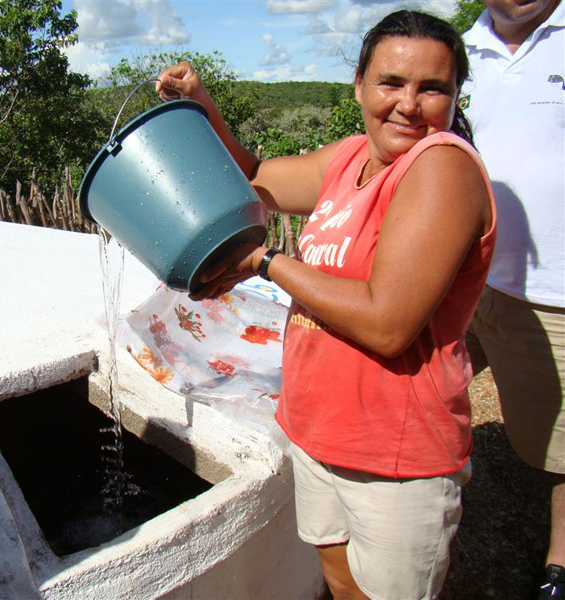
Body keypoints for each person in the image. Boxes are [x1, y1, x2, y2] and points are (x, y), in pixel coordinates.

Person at [157, 10, 495, 599]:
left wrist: (265, 263)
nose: (408, 105)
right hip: (318, 424)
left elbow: (388, 324)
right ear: (359, 85)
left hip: (394, 446)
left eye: (432, 88)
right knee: (339, 583)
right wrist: (201, 102)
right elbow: (258, 175)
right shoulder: (349, 158)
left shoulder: (441, 167)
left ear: (455, 96)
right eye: (391, 82)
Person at [460, 1, 565, 597]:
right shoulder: (460, 51)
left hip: (554, 288)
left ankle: (560, 564)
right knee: (425, 388)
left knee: (562, 442)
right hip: (463, 273)